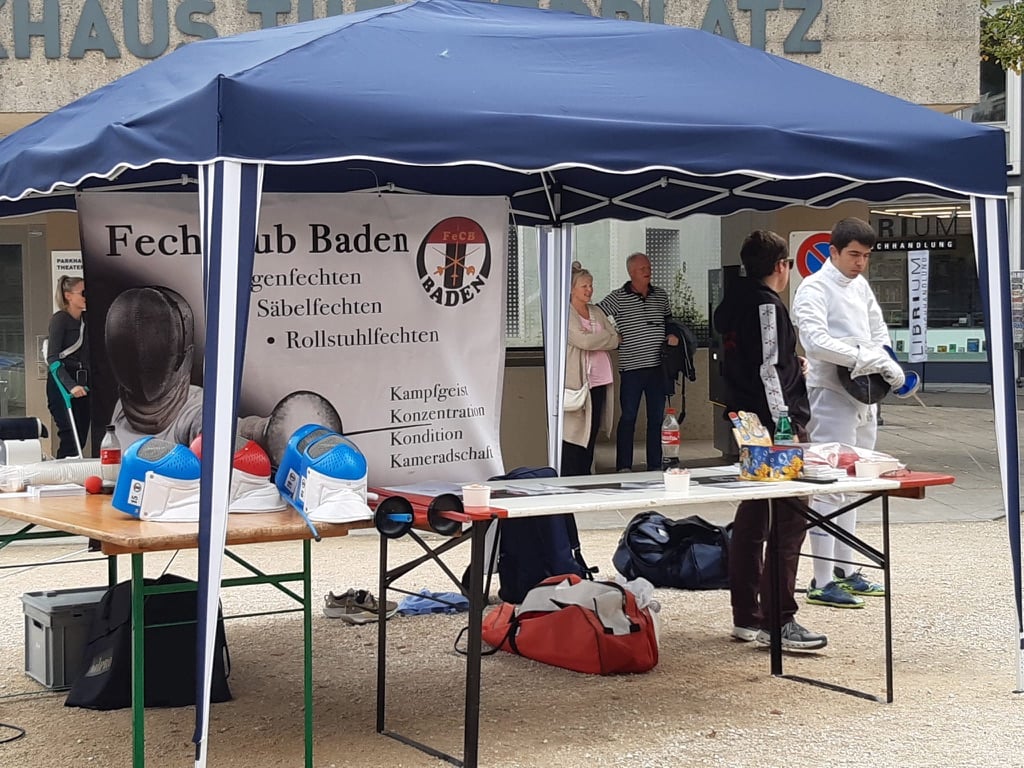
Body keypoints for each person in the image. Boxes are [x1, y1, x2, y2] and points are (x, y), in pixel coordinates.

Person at [713, 231, 827, 651]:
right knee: (789, 518)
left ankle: (748, 614)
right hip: (772, 426)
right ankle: (779, 619)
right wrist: (786, 425)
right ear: (781, 265)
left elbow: (761, 361)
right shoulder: (765, 304)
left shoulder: (732, 302)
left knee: (755, 515)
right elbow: (767, 369)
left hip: (747, 419)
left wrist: (791, 365)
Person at [791, 217, 895, 608]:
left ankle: (845, 569)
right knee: (828, 483)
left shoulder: (861, 286)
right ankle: (820, 579)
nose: (860, 263)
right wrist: (865, 357)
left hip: (865, 392)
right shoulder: (813, 288)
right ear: (833, 251)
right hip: (829, 392)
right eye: (853, 254)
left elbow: (878, 331)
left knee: (855, 480)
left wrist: (884, 361)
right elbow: (815, 342)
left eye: (866, 256)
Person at [597, 252, 678, 472]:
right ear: (631, 272)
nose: (648, 271)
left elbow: (669, 320)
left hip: (658, 368)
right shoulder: (617, 297)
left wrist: (672, 334)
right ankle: (624, 466)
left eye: (649, 267)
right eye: (643, 268)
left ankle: (655, 465)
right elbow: (596, 315)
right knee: (628, 417)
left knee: (656, 418)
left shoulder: (660, 295)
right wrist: (613, 336)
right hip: (631, 368)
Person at [561, 263, 619, 476]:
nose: (589, 290)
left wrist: (595, 339)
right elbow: (582, 341)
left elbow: (615, 338)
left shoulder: (596, 311)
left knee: (592, 430)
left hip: (600, 380)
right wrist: (601, 338)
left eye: (591, 285)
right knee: (574, 431)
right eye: (584, 286)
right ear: (571, 289)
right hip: (578, 382)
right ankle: (571, 475)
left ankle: (585, 474)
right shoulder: (566, 313)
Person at [46, 275, 90, 458]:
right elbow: (53, 358)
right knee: (70, 436)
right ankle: (63, 471)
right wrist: (71, 386)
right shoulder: (60, 319)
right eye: (83, 293)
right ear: (68, 296)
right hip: (62, 382)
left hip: (84, 381)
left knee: (81, 436)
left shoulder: (87, 320)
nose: (87, 297)